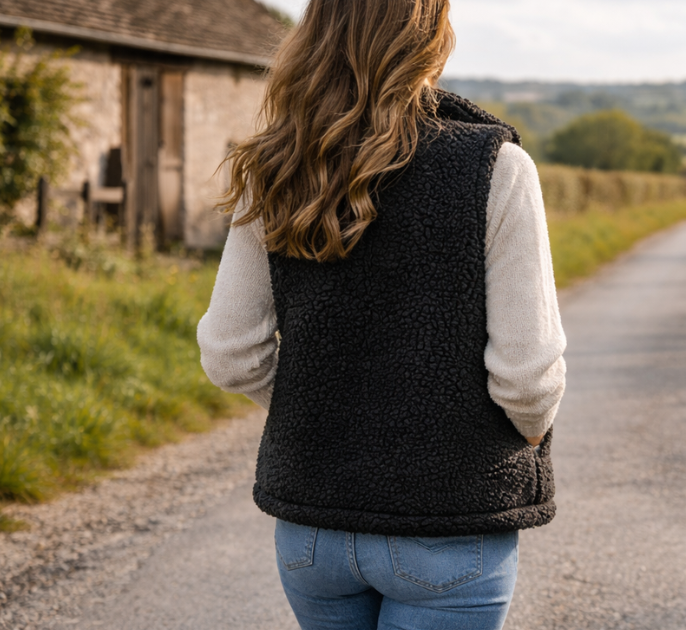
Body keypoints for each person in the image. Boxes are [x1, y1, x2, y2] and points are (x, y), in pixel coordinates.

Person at [196, 0, 566, 627]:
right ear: (432, 37)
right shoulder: (496, 169)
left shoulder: (278, 165)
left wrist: (327, 419)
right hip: (447, 526)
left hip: (312, 533)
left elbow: (231, 354)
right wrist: (526, 433)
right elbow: (528, 378)